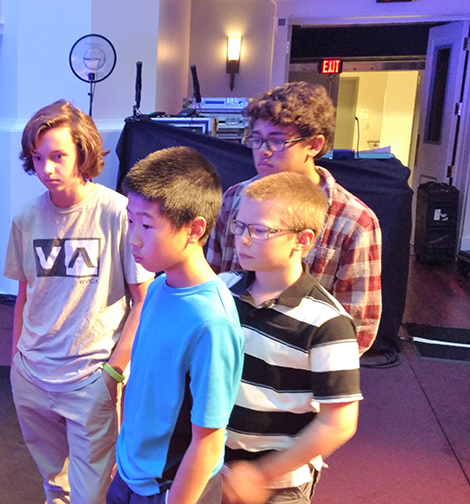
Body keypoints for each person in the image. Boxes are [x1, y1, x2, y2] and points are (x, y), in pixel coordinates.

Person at [4, 99, 154, 504]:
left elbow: (144, 300)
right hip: (32, 374)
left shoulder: (117, 212)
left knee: (92, 493)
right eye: (38, 158)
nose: (46, 169)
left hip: (91, 376)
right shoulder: (25, 217)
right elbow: (24, 295)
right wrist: (17, 361)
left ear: (83, 154)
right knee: (55, 483)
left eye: (58, 157)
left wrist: (114, 372)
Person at [108, 146, 244, 504]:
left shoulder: (211, 321)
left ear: (194, 229)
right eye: (131, 220)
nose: (133, 238)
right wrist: (126, 460)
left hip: (169, 489)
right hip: (132, 474)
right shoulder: (156, 287)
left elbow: (209, 439)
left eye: (148, 225)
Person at [206, 81, 382, 354]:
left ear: (314, 145)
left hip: (300, 367)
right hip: (230, 351)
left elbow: (358, 325)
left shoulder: (353, 221)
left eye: (277, 141)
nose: (263, 151)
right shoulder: (234, 199)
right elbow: (214, 279)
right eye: (256, 139)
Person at [218, 172, 362, 504]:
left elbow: (338, 423)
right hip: (211, 464)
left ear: (302, 240)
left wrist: (261, 474)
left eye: (260, 230)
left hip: (279, 484)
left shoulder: (328, 322)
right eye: (239, 226)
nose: (243, 240)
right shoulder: (223, 289)